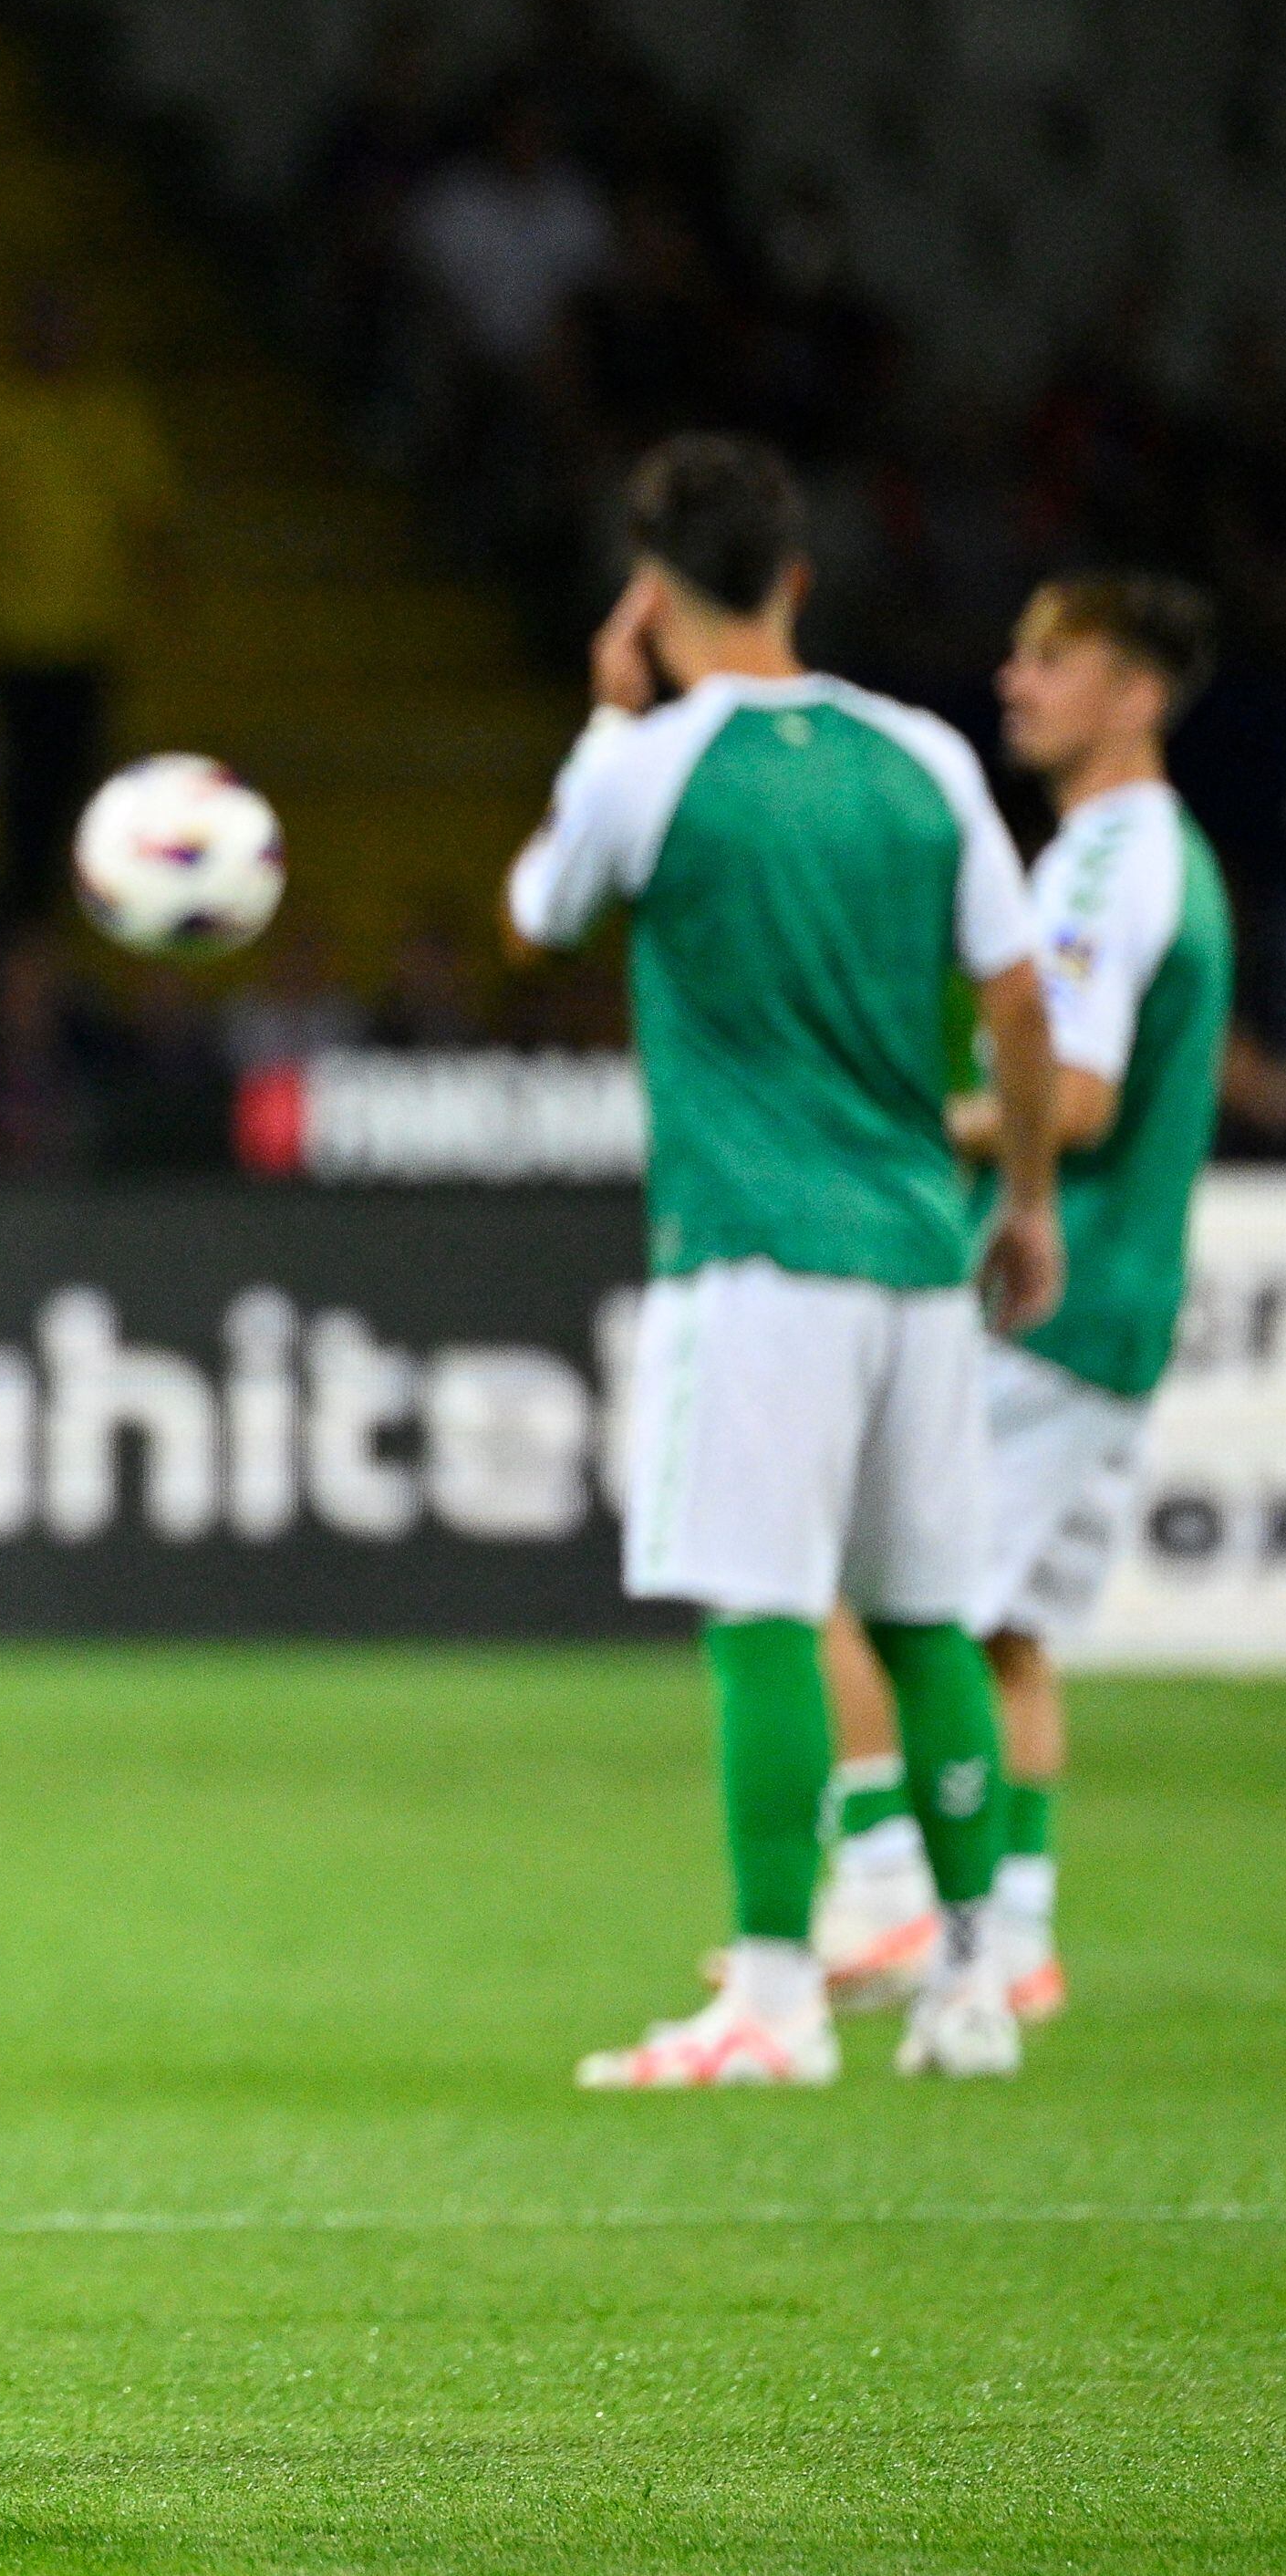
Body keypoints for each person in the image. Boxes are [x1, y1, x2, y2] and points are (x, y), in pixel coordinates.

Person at [503, 433, 1062, 2092]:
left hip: (754, 1250)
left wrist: (611, 715)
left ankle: (771, 1993)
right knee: (924, 1618)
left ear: (647, 592)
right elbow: (1019, 1003)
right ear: (798, 575)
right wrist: (1021, 1198)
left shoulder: (649, 764)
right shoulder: (926, 757)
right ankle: (971, 1985)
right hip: (913, 1247)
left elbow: (540, 915)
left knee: (761, 1605)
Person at [801, 576, 1231, 2029]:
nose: (1015, 679)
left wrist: (922, 1115)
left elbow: (1085, 1095)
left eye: (1054, 659)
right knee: (1007, 1633)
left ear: (1136, 694)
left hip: (1050, 1295)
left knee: (870, 1589)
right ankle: (1023, 1934)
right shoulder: (1163, 855)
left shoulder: (1108, 866)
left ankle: (898, 1903)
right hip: (1121, 1306)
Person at [0, 283, 180, 926]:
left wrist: (161, 622)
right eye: (45, 321)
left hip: (90, 644)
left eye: (68, 321)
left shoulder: (111, 414)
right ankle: (25, 934)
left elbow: (153, 526)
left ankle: (68, 924)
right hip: (11, 646)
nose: (58, 337)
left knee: (85, 804)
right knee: (22, 817)